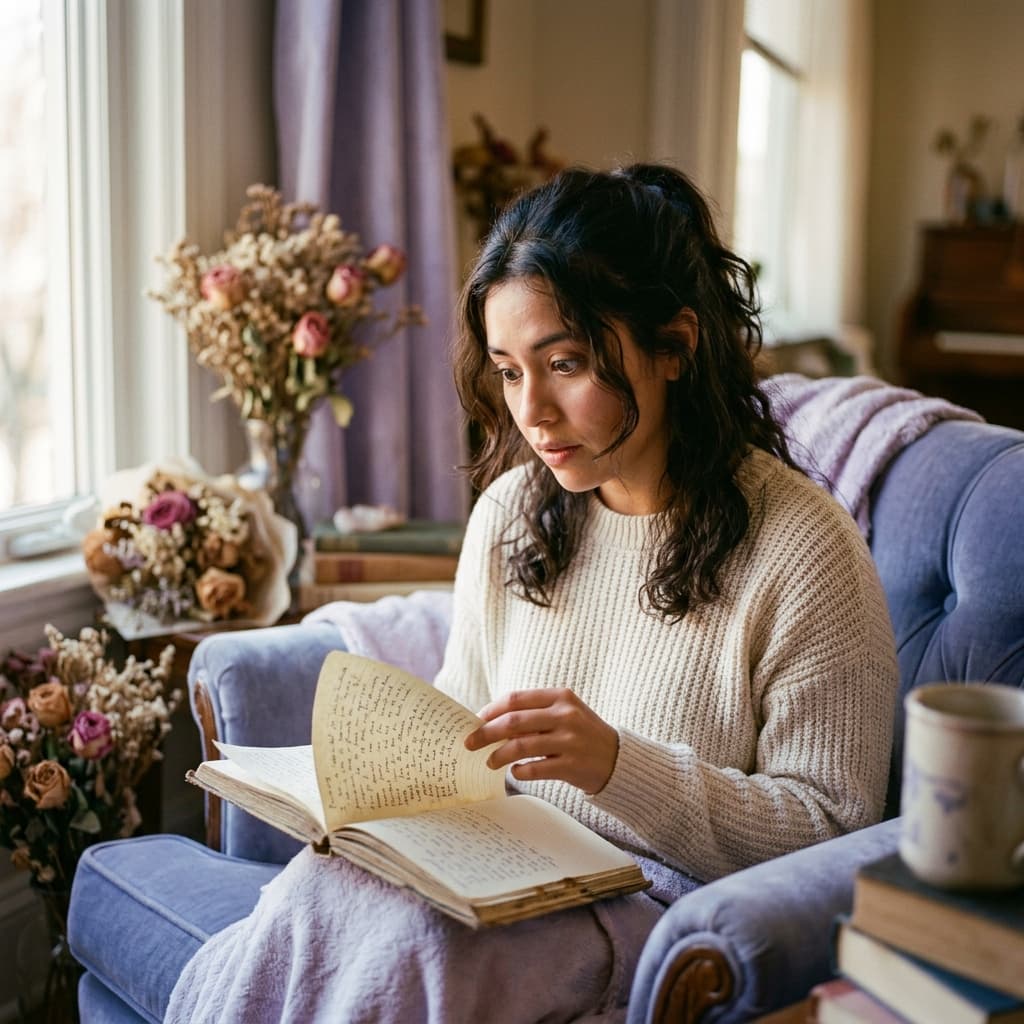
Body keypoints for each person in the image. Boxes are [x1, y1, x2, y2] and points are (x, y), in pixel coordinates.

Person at [165, 164, 898, 1023]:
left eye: (566, 362)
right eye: (510, 372)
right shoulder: (514, 511)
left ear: (675, 346)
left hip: (647, 905)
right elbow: (462, 725)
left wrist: (621, 769)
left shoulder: (805, 550)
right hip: (500, 864)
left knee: (421, 949)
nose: (533, 412)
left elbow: (832, 831)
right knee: (312, 895)